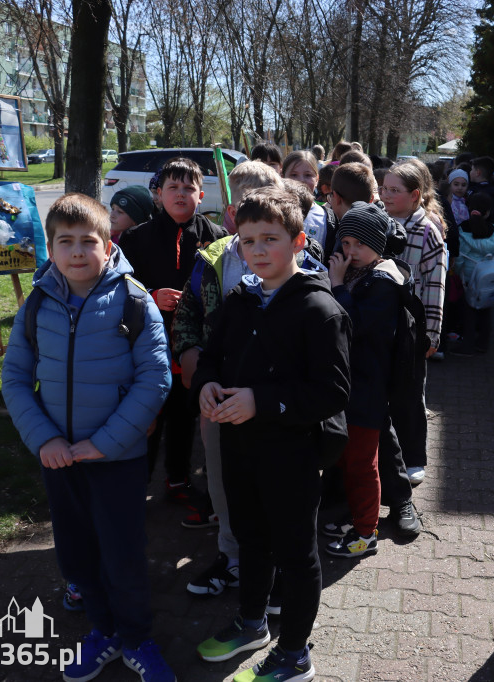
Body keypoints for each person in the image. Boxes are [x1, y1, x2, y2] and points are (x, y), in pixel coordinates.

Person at [1, 193, 175, 682]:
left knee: (122, 554)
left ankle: (138, 638)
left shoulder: (134, 301)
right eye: (65, 242)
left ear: (107, 244)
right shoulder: (37, 304)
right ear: (51, 249)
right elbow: (14, 378)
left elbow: (154, 379)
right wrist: (45, 441)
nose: (77, 252)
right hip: (60, 461)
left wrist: (105, 443)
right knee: (77, 554)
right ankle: (104, 630)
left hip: (116, 460)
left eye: (87, 241)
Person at [192, 186, 351, 682]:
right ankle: (252, 621)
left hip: (292, 454)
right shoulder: (240, 301)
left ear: (299, 241)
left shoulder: (320, 310)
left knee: (295, 553)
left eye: (270, 239)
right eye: (247, 240)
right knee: (250, 538)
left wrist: (262, 400)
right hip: (240, 448)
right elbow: (213, 355)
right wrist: (207, 383)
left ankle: (294, 652)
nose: (258, 250)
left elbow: (332, 392)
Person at [172, 160, 283, 599]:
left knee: (274, 482)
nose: (251, 216)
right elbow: (188, 312)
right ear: (231, 211)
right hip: (218, 393)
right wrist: (190, 354)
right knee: (221, 478)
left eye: (268, 206)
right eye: (242, 207)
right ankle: (233, 556)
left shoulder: (302, 254)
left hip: (274, 399)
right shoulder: (212, 259)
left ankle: (275, 564)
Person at [118, 157, 227, 527]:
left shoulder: (216, 239)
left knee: (183, 414)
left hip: (193, 344)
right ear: (159, 193)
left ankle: (178, 479)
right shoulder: (136, 237)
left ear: (200, 193)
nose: (180, 195)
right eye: (172, 188)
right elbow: (120, 288)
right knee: (147, 415)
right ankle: (133, 487)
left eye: (188, 188)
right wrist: (151, 295)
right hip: (147, 341)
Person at [324, 204, 410, 558]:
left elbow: (352, 326)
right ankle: (358, 516)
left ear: (378, 245)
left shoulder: (383, 283)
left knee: (362, 463)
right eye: (346, 242)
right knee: (349, 459)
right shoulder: (364, 274)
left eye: (361, 244)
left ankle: (365, 533)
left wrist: (337, 286)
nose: (351, 251)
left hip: (367, 388)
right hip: (352, 386)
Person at [380, 160, 447, 485]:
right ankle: (386, 455)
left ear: (415, 194)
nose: (386, 195)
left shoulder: (427, 230)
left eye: (394, 190)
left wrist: (431, 333)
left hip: (412, 328)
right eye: (384, 188)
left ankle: (413, 457)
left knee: (410, 396)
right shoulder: (378, 222)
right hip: (380, 324)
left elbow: (436, 284)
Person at [451, 192, 494, 356]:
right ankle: (483, 344)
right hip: (489, 276)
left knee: (469, 312)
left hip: (469, 278)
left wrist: (459, 274)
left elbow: (459, 258)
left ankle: (467, 346)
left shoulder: (463, 230)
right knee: (486, 309)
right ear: (488, 212)